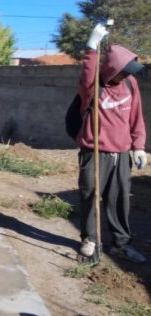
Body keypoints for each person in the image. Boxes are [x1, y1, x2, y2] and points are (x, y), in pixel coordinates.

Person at [77, 24, 147, 263]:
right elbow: (88, 70)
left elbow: (136, 115)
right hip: (94, 152)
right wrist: (91, 45)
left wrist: (139, 146)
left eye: (130, 71)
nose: (127, 75)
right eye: (123, 71)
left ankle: (121, 244)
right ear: (111, 69)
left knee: (119, 199)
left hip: (122, 152)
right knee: (90, 195)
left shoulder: (130, 84)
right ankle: (90, 239)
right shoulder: (93, 86)